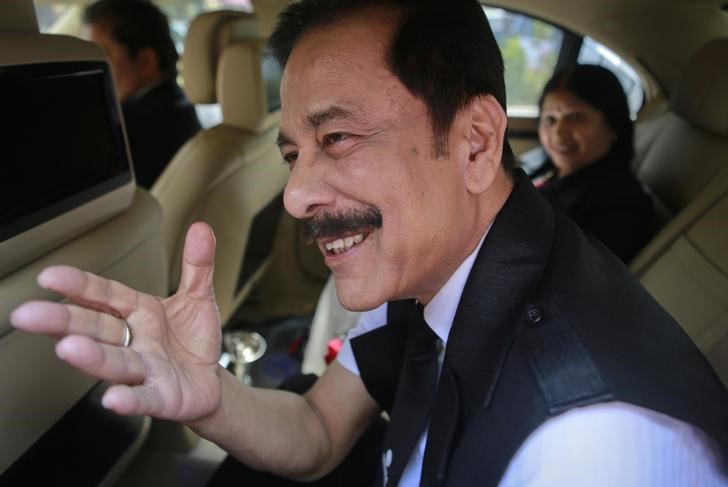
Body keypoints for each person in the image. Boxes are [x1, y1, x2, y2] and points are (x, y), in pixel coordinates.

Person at [10, 1, 728, 486]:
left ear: (476, 141)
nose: (296, 196)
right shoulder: (437, 268)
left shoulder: (597, 448)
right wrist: (210, 399)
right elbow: (322, 428)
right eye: (294, 152)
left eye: (339, 138)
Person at [531, 64, 655, 263]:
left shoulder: (621, 207)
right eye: (550, 119)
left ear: (613, 126)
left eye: (576, 118)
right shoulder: (562, 174)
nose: (558, 133)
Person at [84, 0, 201, 189]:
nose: (93, 66)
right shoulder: (180, 105)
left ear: (146, 62)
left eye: (104, 54)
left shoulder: (125, 128)